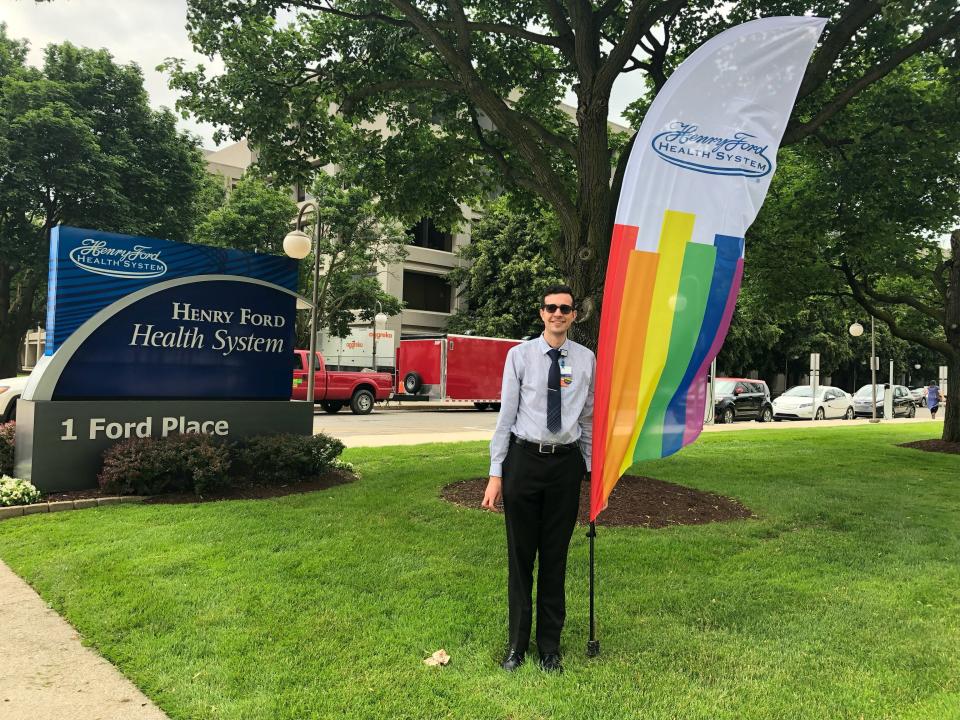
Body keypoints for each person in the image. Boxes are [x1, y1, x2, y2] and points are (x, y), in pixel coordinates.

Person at [481, 284, 596, 673]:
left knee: (555, 559)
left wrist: (592, 470)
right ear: (541, 312)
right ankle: (516, 646)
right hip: (524, 462)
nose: (557, 313)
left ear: (574, 315)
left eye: (565, 307)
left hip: (565, 467)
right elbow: (505, 417)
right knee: (520, 558)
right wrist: (496, 473)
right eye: (551, 307)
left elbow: (589, 418)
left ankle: (550, 647)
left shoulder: (586, 360)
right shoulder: (520, 356)